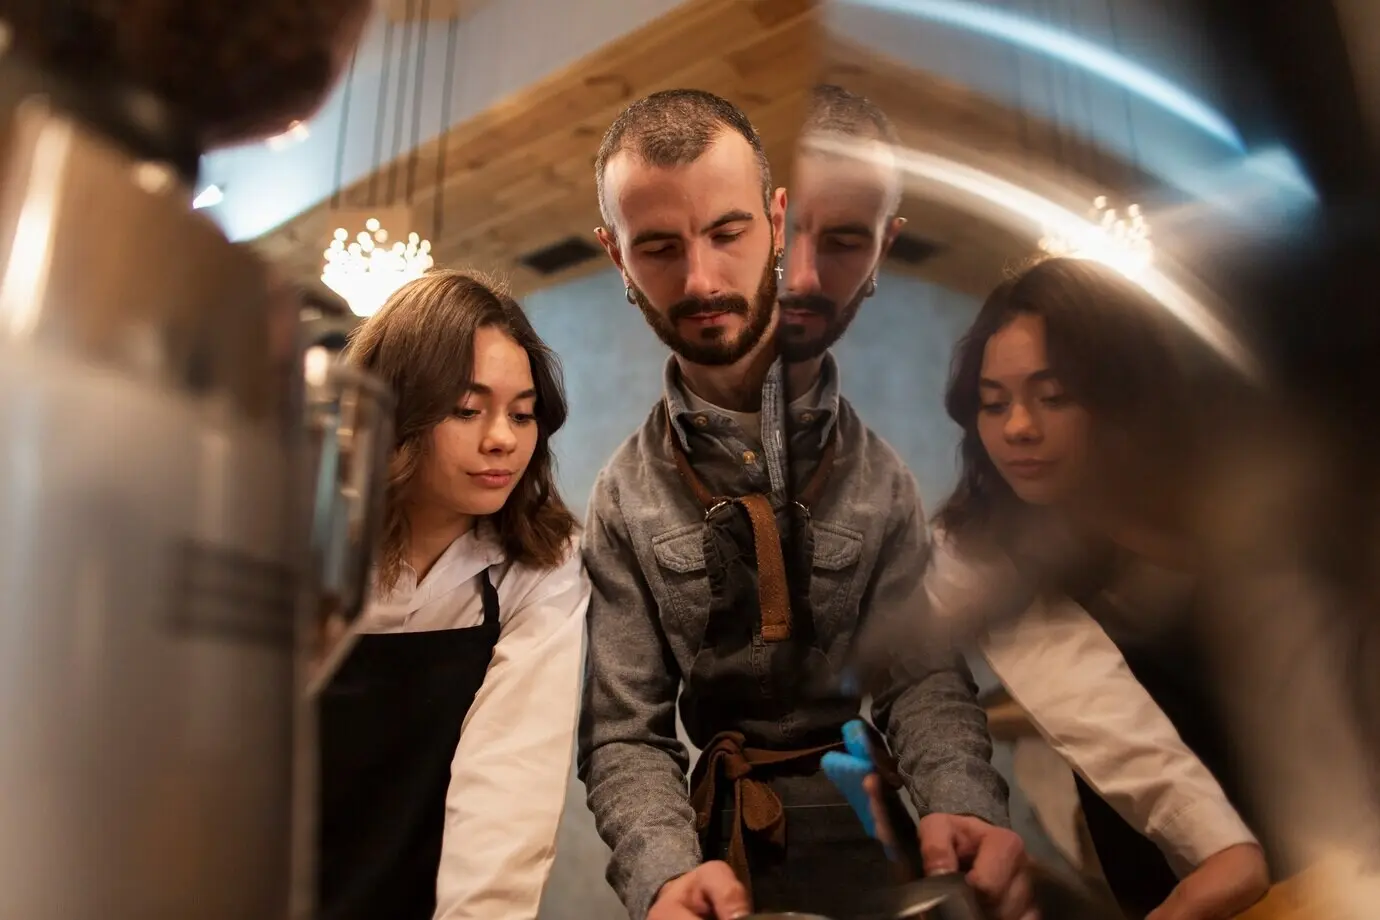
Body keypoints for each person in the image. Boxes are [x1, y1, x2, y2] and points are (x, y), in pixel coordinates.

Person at [578, 87, 1032, 920]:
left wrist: (963, 803)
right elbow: (622, 733)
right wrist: (662, 873)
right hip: (721, 867)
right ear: (615, 255)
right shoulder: (619, 498)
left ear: (777, 218)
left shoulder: (880, 472)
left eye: (727, 232)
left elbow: (922, 676)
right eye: (659, 248)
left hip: (885, 840)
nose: (703, 279)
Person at [925, 256, 1272, 920]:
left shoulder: (1229, 509)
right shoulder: (985, 548)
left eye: (1052, 396)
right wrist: (1221, 853)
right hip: (1178, 859)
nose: (1018, 427)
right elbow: (1101, 719)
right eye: (992, 403)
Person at [317, 270, 590, 920]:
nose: (502, 438)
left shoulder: (540, 564)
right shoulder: (304, 531)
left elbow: (509, 794)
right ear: (394, 410)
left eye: (522, 414)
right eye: (467, 410)